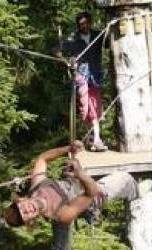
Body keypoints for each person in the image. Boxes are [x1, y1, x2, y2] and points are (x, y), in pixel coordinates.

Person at [2, 140, 150, 250]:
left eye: (23, 208)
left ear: (21, 200)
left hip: (73, 183)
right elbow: (90, 192)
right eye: (26, 214)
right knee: (123, 178)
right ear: (31, 221)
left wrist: (68, 149)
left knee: (82, 157)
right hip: (90, 196)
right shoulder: (62, 215)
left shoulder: (36, 185)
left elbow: (43, 159)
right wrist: (80, 174)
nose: (28, 209)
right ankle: (136, 191)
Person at [54, 11, 108, 152]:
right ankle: (91, 136)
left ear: (90, 22)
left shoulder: (98, 36)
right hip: (81, 76)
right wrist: (66, 61)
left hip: (95, 76)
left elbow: (111, 41)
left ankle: (97, 139)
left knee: (95, 106)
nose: (84, 26)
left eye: (86, 23)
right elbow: (57, 50)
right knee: (85, 109)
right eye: (81, 24)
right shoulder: (74, 39)